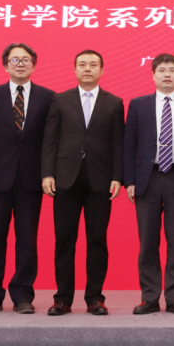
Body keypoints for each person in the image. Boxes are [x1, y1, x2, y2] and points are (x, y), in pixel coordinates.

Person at [0, 43, 55, 315]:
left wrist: (48, 174)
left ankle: (22, 295)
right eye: (15, 60)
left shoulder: (48, 97)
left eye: (26, 60)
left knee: (27, 240)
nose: (20, 64)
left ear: (34, 65)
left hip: (31, 180)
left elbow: (51, 140)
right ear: (6, 65)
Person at [41, 50, 124, 316]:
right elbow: (50, 138)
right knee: (64, 240)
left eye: (93, 65)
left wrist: (117, 176)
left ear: (102, 70)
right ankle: (62, 298)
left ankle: (95, 298)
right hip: (65, 178)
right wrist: (47, 173)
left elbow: (118, 143)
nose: (87, 69)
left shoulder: (114, 102)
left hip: (100, 180)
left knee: (97, 240)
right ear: (75, 69)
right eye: (82, 64)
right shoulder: (60, 99)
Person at [124, 54, 174, 315]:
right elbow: (129, 143)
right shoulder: (138, 105)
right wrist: (129, 180)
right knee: (148, 241)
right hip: (147, 178)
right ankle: (149, 297)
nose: (167, 74)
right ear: (153, 74)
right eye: (162, 70)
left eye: (172, 70)